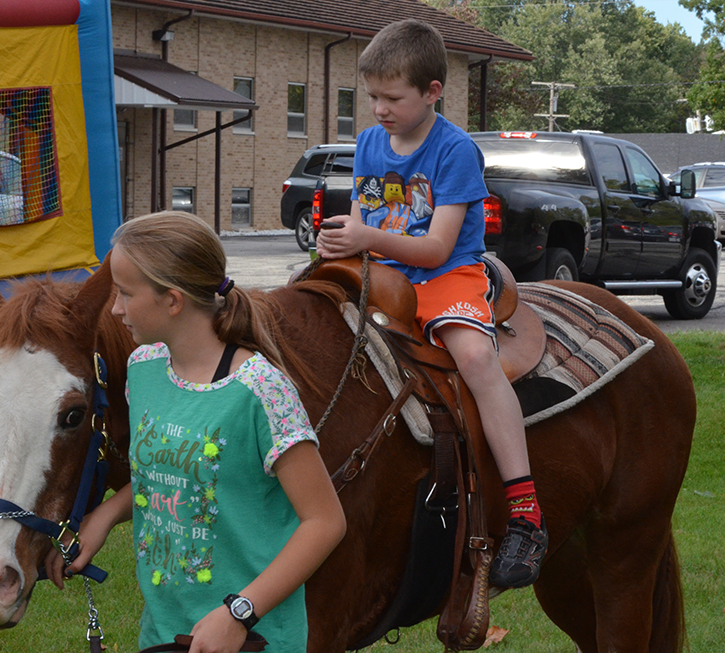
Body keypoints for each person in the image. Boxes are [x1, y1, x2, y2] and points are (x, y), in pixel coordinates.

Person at [46, 211, 347, 653]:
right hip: (165, 633)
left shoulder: (260, 390)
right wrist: (105, 516)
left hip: (251, 638)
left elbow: (325, 522)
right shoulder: (143, 368)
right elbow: (172, 473)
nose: (114, 308)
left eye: (125, 294)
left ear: (172, 300)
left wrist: (238, 612)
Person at [315, 19, 546, 589]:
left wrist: (367, 239)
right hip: (385, 270)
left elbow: (438, 244)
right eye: (371, 96)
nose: (378, 109)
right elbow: (369, 219)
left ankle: (524, 507)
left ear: (432, 91)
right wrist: (343, 240)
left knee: (473, 359)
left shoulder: (455, 150)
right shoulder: (370, 144)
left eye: (392, 98)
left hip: (445, 272)